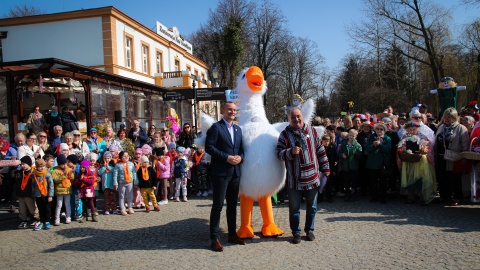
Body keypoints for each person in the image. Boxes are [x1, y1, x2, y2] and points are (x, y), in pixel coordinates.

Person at [276, 107, 330, 244]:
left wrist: (325, 168)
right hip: (294, 179)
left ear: (302, 116)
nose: (296, 119)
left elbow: (320, 150)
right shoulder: (284, 134)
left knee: (312, 206)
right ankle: (296, 232)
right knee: (294, 208)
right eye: (293, 117)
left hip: (313, 177)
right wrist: (290, 151)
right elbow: (278, 154)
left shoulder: (311, 131)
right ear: (289, 119)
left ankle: (309, 229)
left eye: (298, 116)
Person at [206, 101, 245, 252]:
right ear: (223, 110)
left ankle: (232, 234)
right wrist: (226, 157)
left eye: (234, 110)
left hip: (235, 172)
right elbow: (209, 147)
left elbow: (242, 149)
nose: (232, 112)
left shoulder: (238, 129)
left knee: (232, 205)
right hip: (221, 172)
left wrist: (241, 158)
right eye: (229, 109)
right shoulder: (216, 127)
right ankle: (214, 238)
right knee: (218, 205)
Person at [434, 107, 469, 206]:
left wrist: (464, 156)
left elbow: (465, 144)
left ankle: (457, 197)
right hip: (441, 157)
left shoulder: (461, 128)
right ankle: (444, 196)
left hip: (454, 157)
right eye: (445, 117)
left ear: (455, 117)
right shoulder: (441, 127)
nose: (447, 119)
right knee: (442, 177)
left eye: (450, 117)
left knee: (454, 178)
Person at [366, 122, 392, 204]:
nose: (379, 130)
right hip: (372, 163)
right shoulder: (371, 137)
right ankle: (374, 196)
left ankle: (383, 197)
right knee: (372, 181)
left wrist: (380, 145)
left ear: (384, 131)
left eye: (381, 129)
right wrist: (374, 145)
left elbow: (387, 149)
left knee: (383, 182)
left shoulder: (387, 139)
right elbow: (367, 148)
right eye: (377, 129)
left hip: (382, 163)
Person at [15, 156, 39, 229]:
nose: (22, 166)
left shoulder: (33, 172)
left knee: (32, 208)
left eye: (24, 164)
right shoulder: (19, 173)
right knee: (22, 209)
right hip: (21, 194)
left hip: (29, 194)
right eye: (21, 164)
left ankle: (37, 219)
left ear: (29, 164)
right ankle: (23, 220)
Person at [339, 129, 362, 202]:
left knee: (353, 182)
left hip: (353, 167)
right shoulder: (344, 144)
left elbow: (360, 156)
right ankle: (347, 195)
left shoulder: (358, 145)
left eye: (353, 135)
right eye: (350, 135)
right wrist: (342, 155)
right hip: (346, 167)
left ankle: (354, 195)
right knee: (346, 182)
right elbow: (339, 153)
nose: (351, 137)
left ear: (356, 136)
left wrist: (356, 153)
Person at [31, 159, 54, 230]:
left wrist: (50, 195)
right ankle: (41, 221)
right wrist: (33, 194)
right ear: (37, 167)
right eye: (40, 167)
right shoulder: (34, 174)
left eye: (43, 166)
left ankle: (47, 221)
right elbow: (33, 185)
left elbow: (51, 185)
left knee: (47, 208)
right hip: (38, 195)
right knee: (40, 208)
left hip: (46, 195)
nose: (42, 168)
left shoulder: (47, 174)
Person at [113, 151, 138, 216]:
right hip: (121, 183)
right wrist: (115, 183)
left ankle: (130, 207)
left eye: (127, 156)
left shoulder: (131, 164)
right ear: (121, 157)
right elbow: (115, 175)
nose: (126, 157)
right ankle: (122, 209)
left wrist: (136, 182)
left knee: (130, 195)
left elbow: (134, 173)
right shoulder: (118, 165)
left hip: (130, 182)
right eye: (124, 156)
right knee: (121, 196)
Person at [51, 154, 73, 226]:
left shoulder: (68, 169)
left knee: (67, 204)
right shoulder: (55, 170)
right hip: (59, 190)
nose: (64, 165)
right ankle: (57, 219)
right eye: (62, 164)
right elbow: (56, 179)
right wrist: (64, 175)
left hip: (67, 189)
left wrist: (70, 174)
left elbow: (72, 178)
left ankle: (68, 217)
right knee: (59, 205)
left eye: (65, 163)